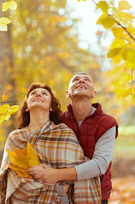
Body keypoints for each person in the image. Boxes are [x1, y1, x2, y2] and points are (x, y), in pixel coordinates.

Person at [0, 82, 101, 204]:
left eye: (44, 94)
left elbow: (80, 172)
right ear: (26, 106)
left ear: (51, 106)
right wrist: (58, 189)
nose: (38, 94)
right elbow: (11, 180)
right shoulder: (15, 137)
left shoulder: (64, 133)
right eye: (33, 94)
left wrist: (56, 177)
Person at [30, 73, 118, 204]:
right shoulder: (57, 120)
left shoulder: (107, 123)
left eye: (86, 79)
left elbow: (100, 164)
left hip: (96, 194)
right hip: (59, 193)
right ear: (68, 93)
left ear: (94, 93)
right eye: (75, 79)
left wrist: (56, 175)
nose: (81, 80)